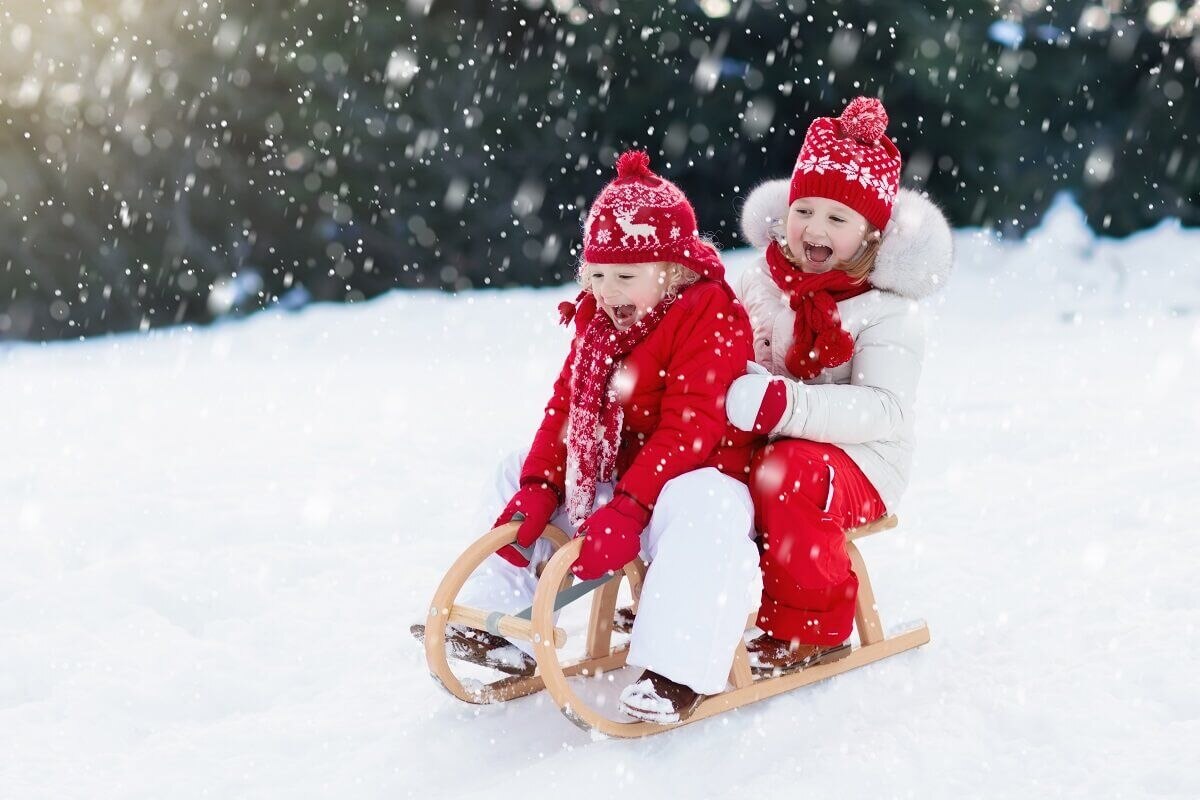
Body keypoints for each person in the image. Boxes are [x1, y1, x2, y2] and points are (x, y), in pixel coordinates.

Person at [417, 151, 763, 723]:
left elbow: (691, 429)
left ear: (672, 269)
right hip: (624, 491)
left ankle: (675, 671)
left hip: (696, 484)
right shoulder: (598, 325)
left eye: (625, 276)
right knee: (514, 468)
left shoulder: (710, 313)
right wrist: (538, 483)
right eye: (596, 275)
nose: (606, 290)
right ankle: (501, 626)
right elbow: (565, 411)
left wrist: (631, 507)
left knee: (704, 505)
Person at [724, 96, 954, 673]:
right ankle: (693, 588)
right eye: (805, 209)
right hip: (776, 436)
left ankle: (811, 628)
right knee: (698, 461)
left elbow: (882, 410)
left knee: (788, 474)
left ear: (872, 234)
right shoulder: (764, 281)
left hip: (864, 461)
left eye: (837, 218)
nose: (814, 229)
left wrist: (781, 402)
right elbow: (741, 351)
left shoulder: (887, 311)